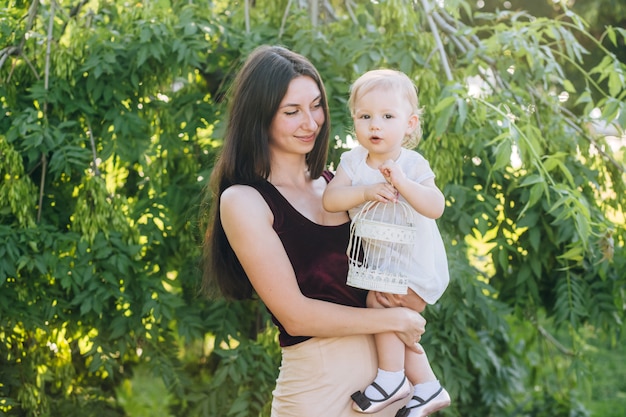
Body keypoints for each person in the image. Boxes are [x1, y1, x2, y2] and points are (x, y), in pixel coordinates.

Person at [202, 45, 429, 417]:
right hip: (318, 393)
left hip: (386, 391)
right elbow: (296, 315)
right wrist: (395, 320)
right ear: (259, 117)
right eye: (292, 112)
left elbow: (394, 268)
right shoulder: (244, 201)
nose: (311, 122)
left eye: (316, 106)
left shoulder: (341, 187)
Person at [322, 69, 451, 417]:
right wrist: (365, 191)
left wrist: (403, 182)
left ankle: (392, 378)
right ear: (354, 122)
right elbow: (331, 200)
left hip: (415, 268)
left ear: (409, 124)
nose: (375, 125)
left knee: (379, 307)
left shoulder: (411, 163)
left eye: (387, 116)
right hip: (383, 267)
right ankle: (426, 386)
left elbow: (435, 206)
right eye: (365, 117)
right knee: (389, 317)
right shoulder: (351, 162)